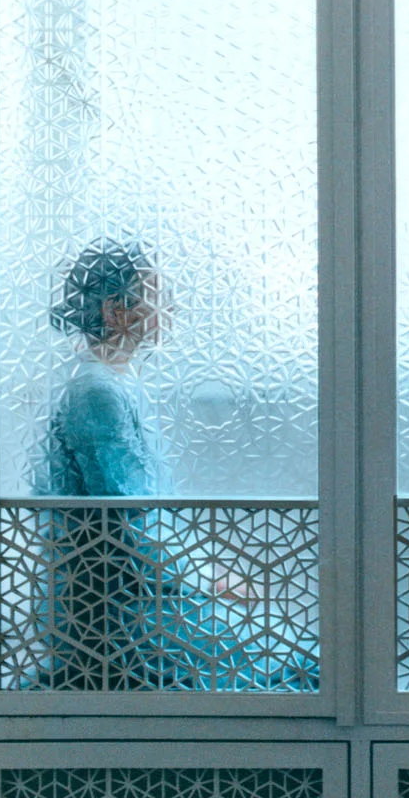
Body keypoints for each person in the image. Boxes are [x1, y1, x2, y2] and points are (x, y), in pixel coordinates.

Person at [32, 240, 317, 692]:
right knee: (305, 666)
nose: (169, 307)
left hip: (142, 594)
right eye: (155, 295)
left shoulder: (112, 386)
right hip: (119, 616)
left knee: (303, 658)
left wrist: (205, 576)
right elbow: (129, 518)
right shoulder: (97, 394)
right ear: (116, 311)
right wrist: (209, 578)